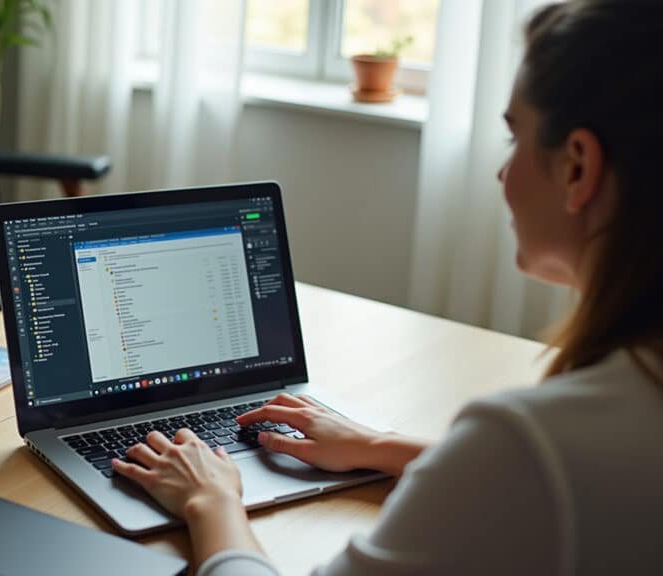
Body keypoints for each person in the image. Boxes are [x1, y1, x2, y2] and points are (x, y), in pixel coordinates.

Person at [111, 1, 663, 574]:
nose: (503, 173)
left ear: (577, 167)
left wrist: (212, 501)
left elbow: (527, 471)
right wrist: (380, 447)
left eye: (513, 136)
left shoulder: (527, 442)